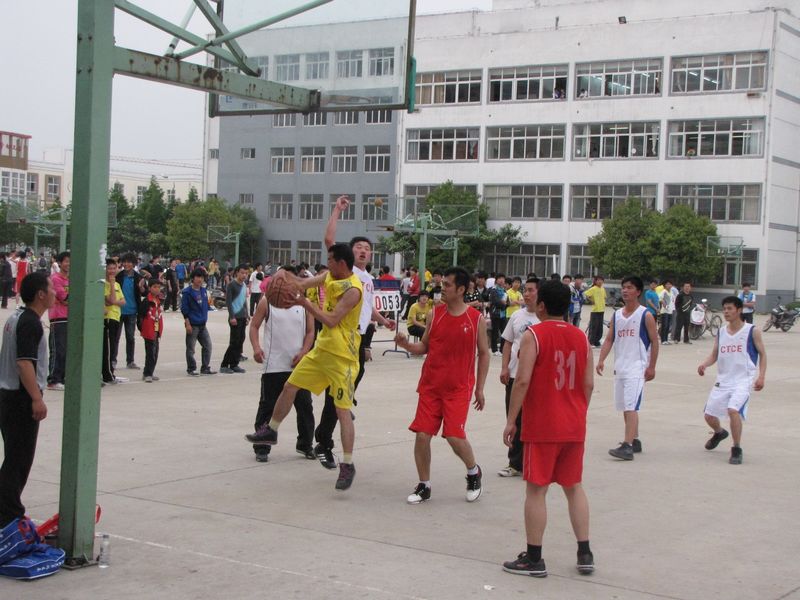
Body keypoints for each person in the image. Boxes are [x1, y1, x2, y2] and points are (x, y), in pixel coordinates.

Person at [245, 243, 363, 492]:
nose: (326, 264)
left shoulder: (353, 290)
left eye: (330, 260)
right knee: (290, 386)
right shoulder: (329, 276)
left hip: (343, 357)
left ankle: (348, 464)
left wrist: (304, 303)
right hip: (321, 351)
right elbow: (301, 283)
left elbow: (331, 320)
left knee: (342, 411)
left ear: (341, 263)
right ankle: (271, 430)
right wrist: (282, 276)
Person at [501, 279, 595, 578]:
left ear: (541, 305)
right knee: (573, 487)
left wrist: (511, 419)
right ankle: (584, 552)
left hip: (543, 425)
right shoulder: (581, 337)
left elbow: (522, 380)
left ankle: (534, 557)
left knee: (536, 490)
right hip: (574, 424)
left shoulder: (534, 335)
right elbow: (588, 384)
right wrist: (578, 411)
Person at [312, 196, 396, 470]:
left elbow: (367, 308)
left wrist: (383, 320)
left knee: (349, 384)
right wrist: (337, 210)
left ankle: (342, 404)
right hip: (339, 337)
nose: (362, 251)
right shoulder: (344, 273)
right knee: (337, 395)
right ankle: (324, 441)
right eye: (358, 247)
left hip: (357, 338)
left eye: (367, 249)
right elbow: (328, 239)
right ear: (349, 253)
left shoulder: (368, 279)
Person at [395, 267, 490, 504]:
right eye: (443, 284)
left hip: (458, 387)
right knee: (422, 435)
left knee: (454, 436)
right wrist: (406, 345)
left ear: (461, 289)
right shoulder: (434, 315)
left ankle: (473, 472)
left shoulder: (475, 319)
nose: (442, 288)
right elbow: (424, 347)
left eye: (447, 285)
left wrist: (479, 388)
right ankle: (424, 485)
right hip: (431, 385)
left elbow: (484, 353)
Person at [0, 272, 54, 528]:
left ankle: (8, 511)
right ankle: (9, 515)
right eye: (51, 288)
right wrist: (36, 398)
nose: (55, 292)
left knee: (14, 457)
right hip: (20, 398)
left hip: (8, 395)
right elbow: (24, 364)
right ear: (40, 294)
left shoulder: (17, 317)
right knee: (18, 460)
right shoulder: (30, 323)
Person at [248, 283, 316, 463]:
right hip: (273, 365)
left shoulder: (305, 304)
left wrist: (304, 352)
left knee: (305, 406)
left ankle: (305, 445)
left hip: (298, 366)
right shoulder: (267, 302)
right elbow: (254, 326)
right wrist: (256, 348)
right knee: (267, 407)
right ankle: (262, 447)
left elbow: (311, 332)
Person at [596, 276, 660, 461]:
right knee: (626, 406)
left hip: (637, 368)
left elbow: (655, 341)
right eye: (623, 287)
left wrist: (652, 366)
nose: (625, 290)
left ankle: (627, 446)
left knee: (631, 406)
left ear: (638, 292)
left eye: (629, 287)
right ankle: (635, 439)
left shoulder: (645, 315)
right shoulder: (617, 315)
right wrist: (601, 359)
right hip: (621, 367)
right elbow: (610, 339)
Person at [697, 296, 766, 465]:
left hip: (743, 381)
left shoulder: (752, 331)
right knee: (709, 415)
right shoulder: (721, 332)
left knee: (733, 410)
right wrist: (704, 364)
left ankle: (736, 448)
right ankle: (719, 432)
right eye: (724, 309)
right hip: (723, 380)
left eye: (730, 309)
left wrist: (761, 376)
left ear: (739, 310)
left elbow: (763, 354)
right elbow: (714, 354)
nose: (726, 312)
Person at [498, 277, 540, 477]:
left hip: (536, 378)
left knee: (534, 420)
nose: (527, 294)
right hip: (514, 376)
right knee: (514, 419)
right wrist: (504, 367)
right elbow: (507, 343)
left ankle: (534, 461)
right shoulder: (516, 316)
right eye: (525, 290)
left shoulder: (545, 319)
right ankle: (515, 463)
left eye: (531, 290)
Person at [181, 269, 216, 376]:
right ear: (193, 278)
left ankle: (205, 367)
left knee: (208, 346)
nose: (200, 279)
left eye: (202, 277)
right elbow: (184, 309)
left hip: (202, 324)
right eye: (198, 277)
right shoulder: (187, 292)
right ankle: (191, 368)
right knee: (191, 348)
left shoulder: (203, 291)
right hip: (193, 324)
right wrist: (187, 323)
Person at [115, 253, 144, 369]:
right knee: (115, 337)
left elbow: (145, 292)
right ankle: (113, 360)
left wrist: (141, 287)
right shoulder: (118, 276)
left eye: (129, 262)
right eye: (125, 262)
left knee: (130, 337)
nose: (126, 264)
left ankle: (130, 361)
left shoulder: (138, 277)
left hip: (132, 311)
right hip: (118, 311)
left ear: (134, 264)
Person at [46, 251, 70, 391]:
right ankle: (54, 379)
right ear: (60, 263)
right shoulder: (55, 279)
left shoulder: (72, 279)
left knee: (67, 351)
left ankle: (63, 377)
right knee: (58, 350)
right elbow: (65, 298)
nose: (69, 264)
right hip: (58, 318)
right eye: (66, 261)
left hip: (70, 317)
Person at [220, 265, 249, 374]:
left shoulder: (244, 285)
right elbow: (228, 302)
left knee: (240, 340)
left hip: (242, 317)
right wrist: (232, 316)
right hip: (235, 317)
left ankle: (234, 364)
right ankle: (224, 365)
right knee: (234, 342)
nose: (244, 275)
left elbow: (244, 301)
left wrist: (247, 315)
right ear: (237, 273)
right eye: (242, 273)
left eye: (246, 273)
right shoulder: (231, 285)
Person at [102, 258, 126, 385]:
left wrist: (115, 301)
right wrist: (111, 284)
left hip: (116, 317)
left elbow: (123, 301)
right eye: (109, 268)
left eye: (114, 268)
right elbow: (111, 300)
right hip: (108, 318)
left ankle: (110, 371)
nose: (112, 271)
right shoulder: (105, 284)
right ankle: (107, 374)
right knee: (108, 347)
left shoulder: (117, 284)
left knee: (114, 346)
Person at [139, 279, 164, 383]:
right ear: (149, 288)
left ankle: (150, 372)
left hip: (156, 330)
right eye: (154, 287)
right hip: (149, 331)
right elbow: (140, 316)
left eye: (159, 287)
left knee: (155, 353)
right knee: (150, 353)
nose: (157, 289)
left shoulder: (158, 300)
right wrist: (143, 329)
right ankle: (147, 374)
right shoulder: (146, 301)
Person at [488, 273, 509, 356]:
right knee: (495, 332)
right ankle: (494, 350)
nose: (501, 280)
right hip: (495, 314)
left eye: (503, 278)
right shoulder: (493, 290)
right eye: (499, 278)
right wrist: (503, 303)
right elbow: (495, 302)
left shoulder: (504, 290)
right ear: (496, 280)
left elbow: (508, 302)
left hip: (503, 314)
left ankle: (502, 350)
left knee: (504, 332)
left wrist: (505, 304)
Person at [659, 280, 677, 345]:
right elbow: (660, 299)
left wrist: (673, 308)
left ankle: (666, 340)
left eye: (670, 284)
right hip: (664, 311)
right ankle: (663, 340)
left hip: (670, 311)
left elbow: (673, 301)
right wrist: (664, 305)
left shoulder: (671, 292)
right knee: (665, 326)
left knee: (668, 326)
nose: (669, 285)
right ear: (665, 285)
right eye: (667, 284)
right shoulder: (664, 291)